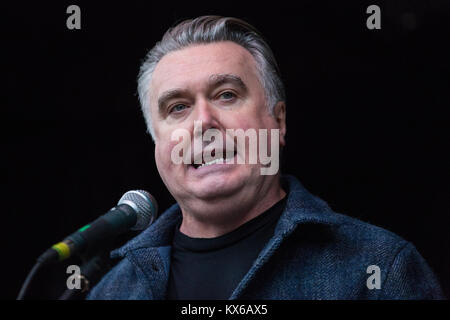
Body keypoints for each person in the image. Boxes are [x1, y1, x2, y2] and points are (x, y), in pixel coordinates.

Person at [87, 16, 444, 299]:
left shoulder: (379, 267)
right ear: (156, 143)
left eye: (226, 95)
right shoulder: (112, 290)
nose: (203, 122)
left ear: (279, 120)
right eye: (178, 107)